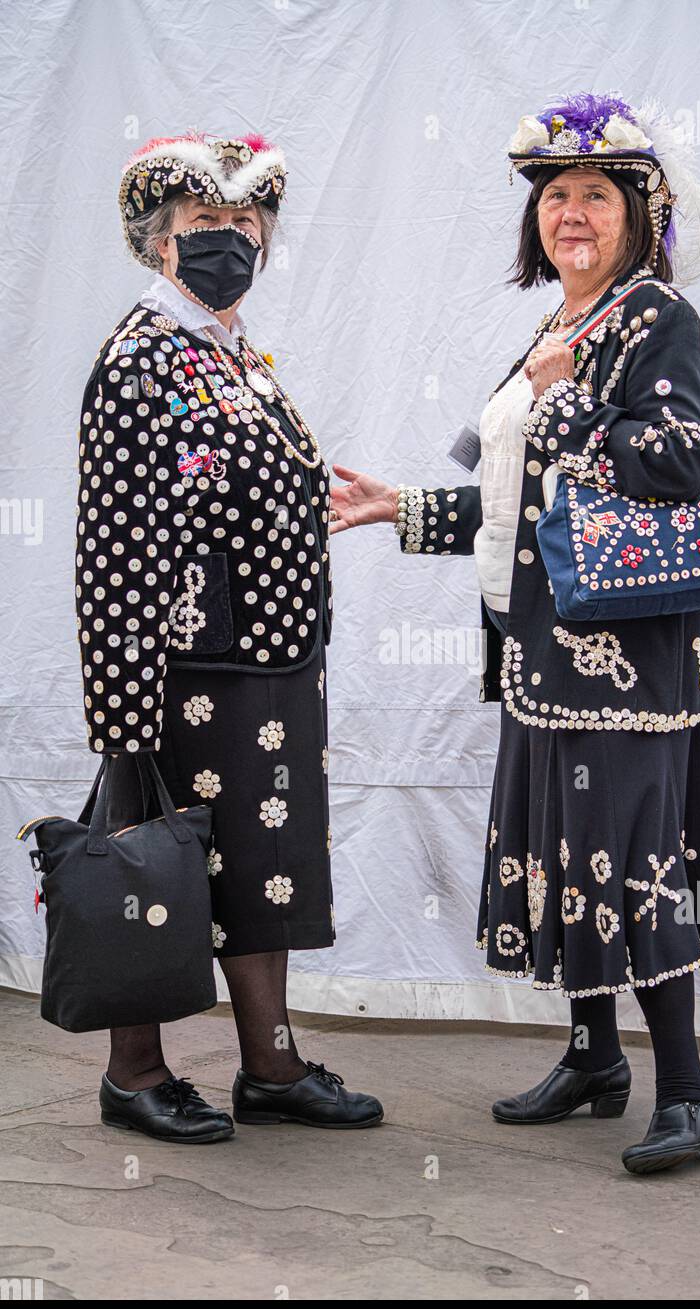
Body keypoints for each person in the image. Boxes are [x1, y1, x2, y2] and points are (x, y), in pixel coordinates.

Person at [329, 93, 700, 1174]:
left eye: (596, 194)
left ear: (639, 215)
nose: (572, 212)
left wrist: (565, 407)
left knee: (635, 861)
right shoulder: (556, 328)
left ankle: (692, 1095)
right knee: (572, 853)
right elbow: (528, 504)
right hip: (545, 652)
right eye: (555, 195)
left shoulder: (658, 318)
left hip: (632, 662)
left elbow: (676, 463)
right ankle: (597, 1056)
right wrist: (400, 508)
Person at [75, 130, 382, 1142]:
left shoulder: (234, 353)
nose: (231, 239)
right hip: (180, 671)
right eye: (207, 224)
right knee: (152, 873)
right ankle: (134, 1072)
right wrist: (124, 717)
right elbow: (115, 549)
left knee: (266, 870)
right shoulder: (140, 355)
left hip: (269, 665)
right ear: (160, 243)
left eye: (246, 223)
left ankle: (273, 1065)